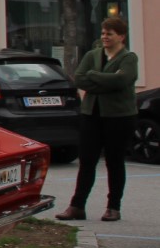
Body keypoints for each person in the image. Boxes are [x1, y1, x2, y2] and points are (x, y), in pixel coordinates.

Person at [57, 17, 140, 223]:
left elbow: (123, 80)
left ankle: (113, 207)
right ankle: (77, 206)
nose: (104, 37)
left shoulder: (128, 58)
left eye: (109, 34)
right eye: (103, 33)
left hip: (119, 117)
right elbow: (80, 78)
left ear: (120, 36)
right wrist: (104, 81)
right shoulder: (93, 55)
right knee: (87, 162)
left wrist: (94, 77)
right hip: (91, 115)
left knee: (114, 162)